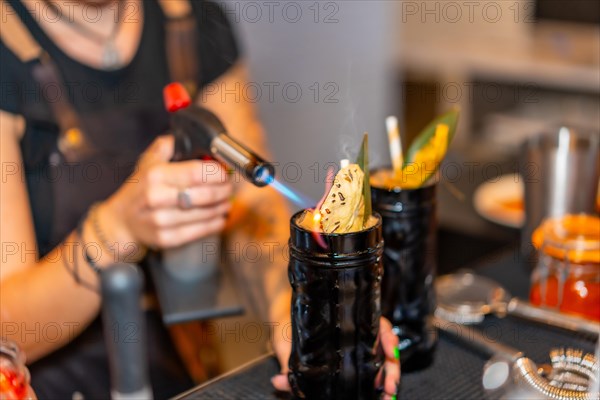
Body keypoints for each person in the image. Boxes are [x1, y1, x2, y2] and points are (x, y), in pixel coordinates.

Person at [0, 0, 400, 398]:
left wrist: (294, 313)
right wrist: (118, 228)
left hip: (177, 373)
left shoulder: (193, 19)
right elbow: (8, 328)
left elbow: (255, 215)